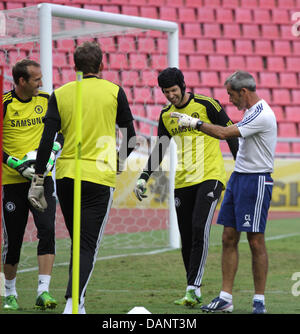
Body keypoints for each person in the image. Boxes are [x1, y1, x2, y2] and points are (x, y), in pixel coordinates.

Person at [28, 41, 136, 314]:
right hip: (99, 176)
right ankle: (73, 304)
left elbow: (46, 140)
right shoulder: (114, 91)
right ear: (102, 65)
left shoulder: (60, 93)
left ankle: (78, 303)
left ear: (73, 66)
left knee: (79, 241)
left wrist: (39, 178)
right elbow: (131, 138)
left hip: (65, 177)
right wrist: (120, 162)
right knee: (87, 243)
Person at [171, 71, 277, 314]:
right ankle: (225, 298)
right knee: (228, 237)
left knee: (255, 240)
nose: (229, 100)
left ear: (243, 92)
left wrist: (194, 122)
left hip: (256, 180)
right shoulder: (250, 112)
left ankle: (259, 301)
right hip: (239, 178)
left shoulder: (262, 113)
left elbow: (224, 133)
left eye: (231, 95)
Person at [134, 67, 238, 307]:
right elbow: (160, 147)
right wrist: (143, 177)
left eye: (173, 90)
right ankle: (194, 289)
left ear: (182, 86)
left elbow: (231, 134)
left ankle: (192, 288)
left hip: (210, 175)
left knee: (199, 226)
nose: (170, 95)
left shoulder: (207, 104)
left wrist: (240, 167)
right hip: (182, 180)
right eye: (165, 92)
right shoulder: (166, 115)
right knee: (187, 235)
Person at [2, 59, 63, 311]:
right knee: (13, 240)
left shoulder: (48, 99)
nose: (42, 83)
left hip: (41, 179)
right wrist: (15, 163)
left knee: (47, 229)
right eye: (36, 79)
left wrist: (51, 153)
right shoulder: (5, 104)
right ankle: (10, 293)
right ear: (21, 81)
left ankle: (43, 291)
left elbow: (61, 131)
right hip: (14, 181)